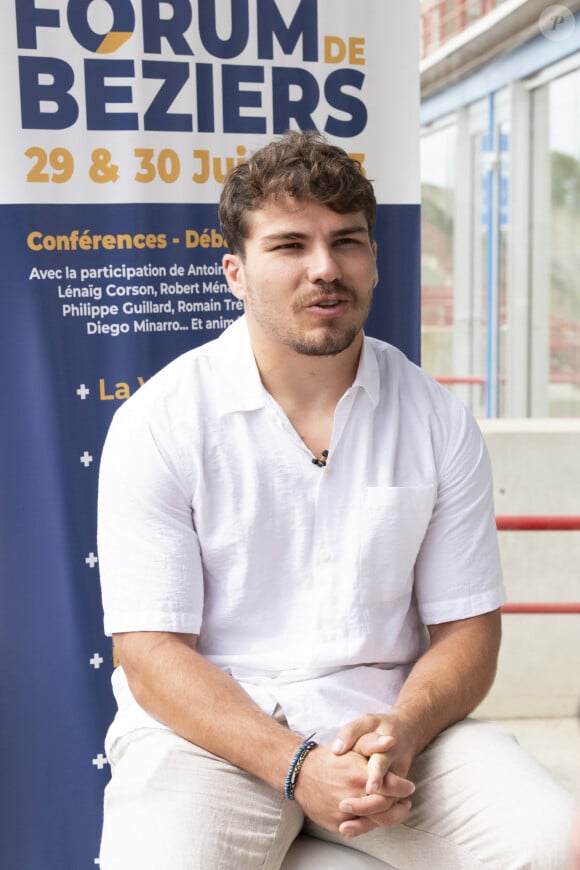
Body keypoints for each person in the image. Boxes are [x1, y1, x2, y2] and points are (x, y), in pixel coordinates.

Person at [97, 130, 575, 869]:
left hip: (389, 731)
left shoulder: (436, 418)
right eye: (289, 245)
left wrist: (406, 729)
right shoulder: (159, 422)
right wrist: (296, 766)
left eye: (346, 242)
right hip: (211, 740)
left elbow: (468, 633)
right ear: (236, 271)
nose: (325, 268)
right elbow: (149, 651)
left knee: (557, 842)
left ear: (374, 260)